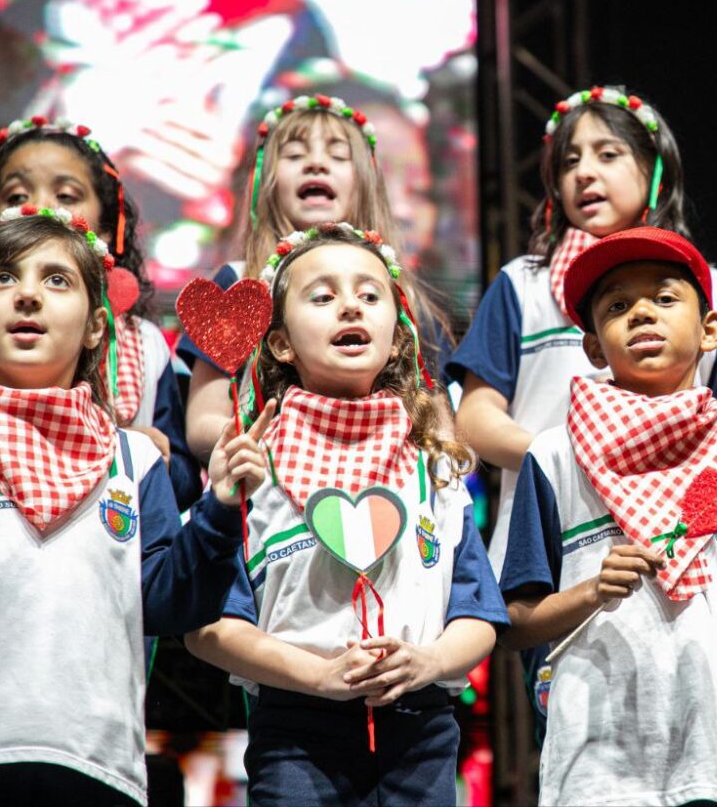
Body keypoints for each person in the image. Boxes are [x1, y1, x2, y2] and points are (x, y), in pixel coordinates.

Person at [185, 223, 506, 806]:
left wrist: (430, 660)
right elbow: (207, 627)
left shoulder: (433, 465)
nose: (350, 304)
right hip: (294, 733)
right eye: (323, 296)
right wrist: (320, 677)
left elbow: (479, 613)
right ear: (280, 343)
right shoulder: (253, 464)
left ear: (397, 336)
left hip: (421, 728)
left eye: (369, 293)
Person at [499, 227, 717, 805]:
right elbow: (513, 621)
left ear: (710, 330)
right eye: (618, 306)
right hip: (595, 765)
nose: (641, 314)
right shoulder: (555, 456)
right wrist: (589, 591)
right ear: (593, 348)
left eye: (664, 297)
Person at [451, 85, 717, 577]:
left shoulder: (716, 289)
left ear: (656, 170)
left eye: (608, 154)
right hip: (555, 541)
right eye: (568, 163)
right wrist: (575, 460)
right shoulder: (522, 282)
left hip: (689, 544)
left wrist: (641, 442)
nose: (584, 172)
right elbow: (476, 419)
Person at [0, 209, 251, 805]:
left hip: (99, 764)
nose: (28, 294)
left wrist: (217, 509)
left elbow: (167, 602)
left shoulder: (134, 459)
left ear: (95, 327)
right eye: (4, 278)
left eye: (56, 280)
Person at [179, 95, 455, 464]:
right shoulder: (239, 283)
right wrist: (280, 442)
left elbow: (436, 420)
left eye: (338, 156)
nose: (316, 163)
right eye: (294, 155)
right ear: (268, 181)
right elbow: (203, 421)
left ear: (365, 181)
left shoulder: (401, 296)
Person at [0, 116, 200, 510]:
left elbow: (184, 483)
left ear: (106, 230)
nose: (38, 208)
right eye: (15, 195)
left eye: (67, 196)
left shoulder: (144, 344)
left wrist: (148, 456)